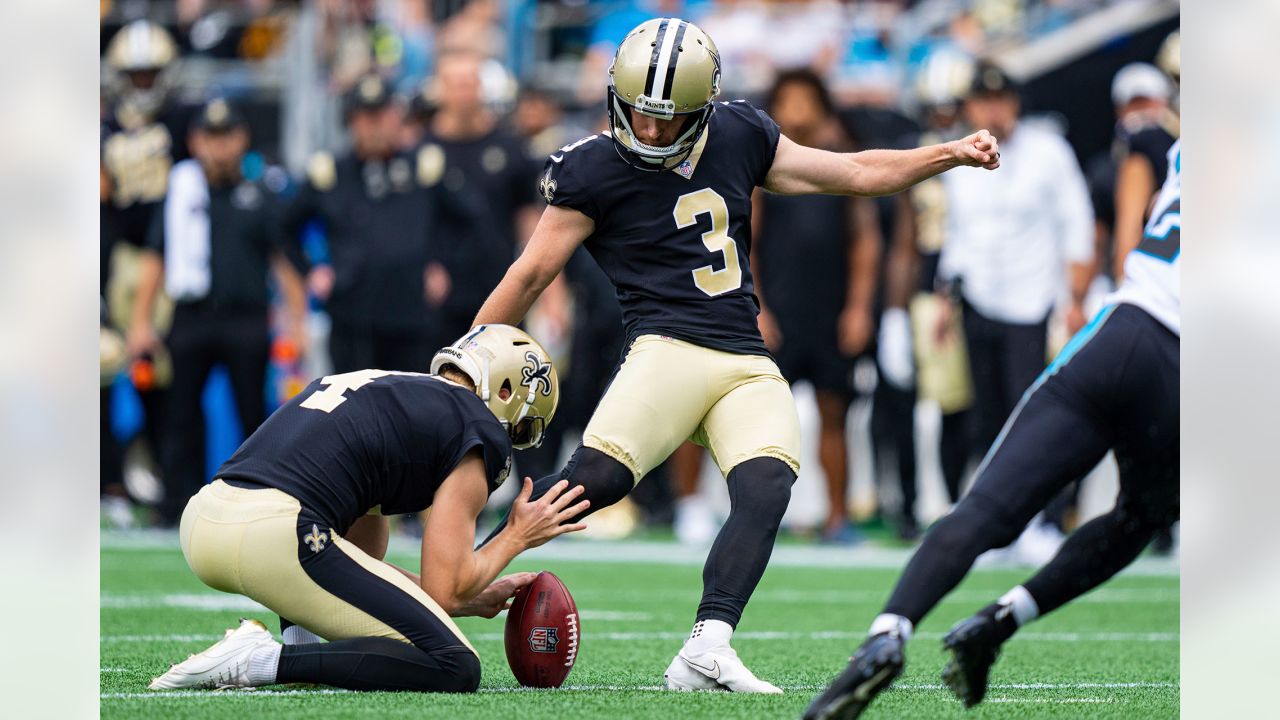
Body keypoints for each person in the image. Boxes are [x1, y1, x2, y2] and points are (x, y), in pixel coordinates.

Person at [476, 18, 1000, 692]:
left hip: (745, 356)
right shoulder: (590, 167)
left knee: (767, 485)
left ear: (704, 107)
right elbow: (530, 275)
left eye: (672, 118)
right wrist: (470, 359)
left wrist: (948, 153)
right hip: (666, 346)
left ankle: (707, 647)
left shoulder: (741, 131)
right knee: (593, 486)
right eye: (641, 113)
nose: (654, 131)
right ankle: (452, 578)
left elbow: (857, 171)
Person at [804, 140, 1179, 720]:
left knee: (987, 505)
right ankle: (999, 621)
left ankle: (888, 631)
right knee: (1140, 515)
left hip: (1120, 331)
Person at [149, 325, 586, 693]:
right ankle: (264, 662)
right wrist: (516, 534)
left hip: (207, 520)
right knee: (455, 664)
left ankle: (297, 641)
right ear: (506, 391)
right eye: (522, 426)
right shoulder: (475, 424)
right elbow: (445, 588)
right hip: (276, 532)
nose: (511, 438)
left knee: (355, 549)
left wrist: (467, 600)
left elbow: (358, 566)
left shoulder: (389, 391)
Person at [129, 99, 308, 526]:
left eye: (226, 136)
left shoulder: (260, 194)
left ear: (242, 139)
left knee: (253, 415)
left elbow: (285, 262)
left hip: (245, 319)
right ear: (194, 141)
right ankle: (175, 507)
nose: (219, 146)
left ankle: (255, 502)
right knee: (180, 414)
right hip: (191, 316)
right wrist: (140, 321)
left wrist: (297, 324)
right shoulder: (180, 192)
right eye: (210, 137)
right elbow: (156, 257)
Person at [935, 63, 1094, 536]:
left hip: (1035, 299)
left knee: (1038, 414)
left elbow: (1077, 223)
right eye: (983, 101)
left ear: (1015, 104)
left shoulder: (1049, 152)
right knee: (987, 416)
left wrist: (1075, 298)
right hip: (979, 296)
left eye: (1000, 100)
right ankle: (1001, 523)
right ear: (969, 107)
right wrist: (946, 297)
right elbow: (959, 233)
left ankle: (1045, 519)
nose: (992, 110)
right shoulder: (960, 160)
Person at [753, 68, 880, 544]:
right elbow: (747, 243)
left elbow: (864, 243)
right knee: (762, 423)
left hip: (830, 312)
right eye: (790, 100)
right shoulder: (761, 169)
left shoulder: (840, 163)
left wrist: (859, 309)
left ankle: (836, 518)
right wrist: (757, 307)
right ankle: (756, 519)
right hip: (777, 315)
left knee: (835, 415)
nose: (799, 110)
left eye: (808, 100)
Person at [281, 74, 468, 374]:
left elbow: (467, 221)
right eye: (366, 116)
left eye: (381, 115)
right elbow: (285, 228)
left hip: (411, 312)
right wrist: (313, 271)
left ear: (396, 116)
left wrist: (442, 265)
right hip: (352, 316)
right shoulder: (330, 172)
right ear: (352, 120)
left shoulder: (423, 167)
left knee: (413, 406)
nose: (375, 125)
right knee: (352, 409)